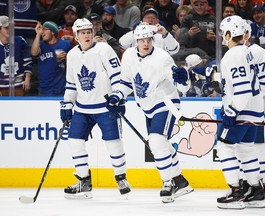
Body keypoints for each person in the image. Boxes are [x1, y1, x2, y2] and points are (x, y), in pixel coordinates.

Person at [106, 24, 193, 203]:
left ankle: (168, 183)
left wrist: (183, 80)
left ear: (153, 39)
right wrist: (117, 95)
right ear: (135, 41)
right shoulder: (129, 55)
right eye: (141, 40)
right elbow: (127, 82)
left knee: (156, 141)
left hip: (166, 103)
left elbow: (183, 87)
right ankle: (180, 181)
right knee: (162, 144)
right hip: (148, 106)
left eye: (148, 40)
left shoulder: (162, 58)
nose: (145, 43)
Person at [60, 18, 131, 199]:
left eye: (89, 31)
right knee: (74, 140)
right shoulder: (72, 55)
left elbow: (117, 76)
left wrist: (119, 98)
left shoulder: (104, 49)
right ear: (76, 36)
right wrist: (67, 103)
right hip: (83, 108)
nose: (87, 35)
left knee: (113, 142)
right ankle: (84, 181)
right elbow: (71, 84)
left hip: (105, 106)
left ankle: (121, 177)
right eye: (82, 32)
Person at [217, 15, 265, 209]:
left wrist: (232, 111)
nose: (222, 37)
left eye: (223, 33)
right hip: (254, 109)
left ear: (229, 34)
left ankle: (235, 191)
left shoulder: (232, 55)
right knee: (246, 149)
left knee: (224, 146)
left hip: (242, 109)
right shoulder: (246, 52)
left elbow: (242, 89)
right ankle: (256, 190)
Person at [243, 20, 265, 205]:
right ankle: (249, 183)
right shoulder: (238, 52)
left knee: (258, 144)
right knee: (245, 146)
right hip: (246, 104)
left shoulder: (257, 51)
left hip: (260, 102)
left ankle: (264, 183)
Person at [31, 21, 72, 96]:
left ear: (53, 32)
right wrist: (37, 34)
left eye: (45, 29)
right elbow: (34, 53)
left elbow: (74, 62)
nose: (42, 32)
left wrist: (67, 57)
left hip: (61, 88)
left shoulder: (65, 44)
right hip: (44, 89)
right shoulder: (41, 44)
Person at [0, 16, 32, 96]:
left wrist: (27, 79)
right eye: (6, 28)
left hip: (18, 85)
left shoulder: (20, 41)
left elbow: (27, 62)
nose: (10, 30)